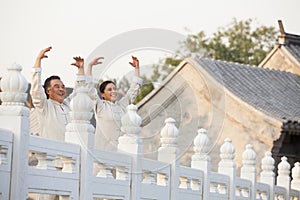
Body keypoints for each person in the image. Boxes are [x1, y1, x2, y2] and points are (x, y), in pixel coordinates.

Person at [87, 56, 143, 151]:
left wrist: (137, 69)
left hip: (120, 152)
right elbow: (89, 89)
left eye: (114, 88)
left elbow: (134, 90)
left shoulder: (122, 105)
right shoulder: (100, 106)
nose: (114, 91)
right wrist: (89, 66)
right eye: (109, 89)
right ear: (103, 94)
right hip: (102, 152)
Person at [30, 46, 85, 141]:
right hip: (52, 154)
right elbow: (36, 89)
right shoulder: (45, 106)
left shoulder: (68, 104)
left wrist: (81, 69)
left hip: (71, 153)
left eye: (63, 87)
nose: (61, 89)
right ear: (48, 91)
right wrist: (38, 59)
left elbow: (79, 91)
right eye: (57, 86)